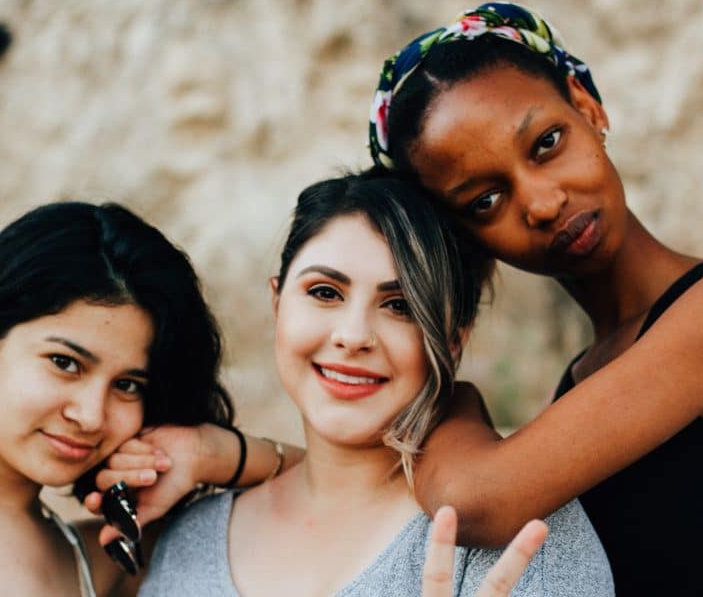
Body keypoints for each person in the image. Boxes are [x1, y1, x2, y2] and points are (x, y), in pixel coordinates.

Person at [368, 2, 703, 595]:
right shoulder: (580, 381)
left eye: (547, 143)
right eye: (485, 200)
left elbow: (475, 503)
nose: (542, 203)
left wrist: (452, 397)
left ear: (588, 107)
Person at [139, 170, 614, 596]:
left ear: (453, 341)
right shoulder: (191, 540)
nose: (352, 336)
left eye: (400, 306)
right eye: (324, 293)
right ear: (277, 301)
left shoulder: (525, 538)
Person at [0, 201, 295, 597]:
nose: (90, 416)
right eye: (64, 363)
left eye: (128, 385)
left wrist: (208, 453)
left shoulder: (96, 562)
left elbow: (343, 494)